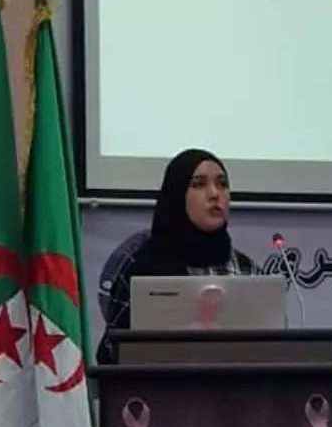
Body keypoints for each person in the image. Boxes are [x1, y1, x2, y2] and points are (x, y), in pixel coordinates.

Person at [95, 148, 258, 364]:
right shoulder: (143, 268)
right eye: (199, 184)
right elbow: (112, 353)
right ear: (177, 195)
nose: (214, 194)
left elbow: (271, 347)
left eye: (222, 184)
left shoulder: (247, 270)